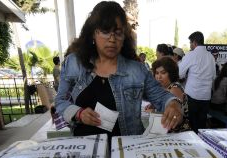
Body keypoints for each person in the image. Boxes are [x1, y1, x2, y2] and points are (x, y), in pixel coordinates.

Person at [55, 1, 182, 142]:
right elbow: (60, 101)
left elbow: (162, 97)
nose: (112, 39)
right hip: (86, 150)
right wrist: (78, 113)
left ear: (124, 37)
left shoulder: (136, 70)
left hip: (126, 152)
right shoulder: (74, 63)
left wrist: (173, 103)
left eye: (118, 33)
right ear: (93, 33)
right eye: (105, 31)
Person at [179, 31, 216, 133]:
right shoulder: (211, 57)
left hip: (192, 95)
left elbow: (180, 73)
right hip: (206, 96)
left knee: (190, 125)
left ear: (194, 42)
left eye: (190, 43)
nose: (190, 46)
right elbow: (213, 76)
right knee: (201, 126)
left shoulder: (191, 55)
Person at [151, 56, 190, 132]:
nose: (159, 77)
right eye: (156, 73)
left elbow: (172, 115)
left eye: (163, 73)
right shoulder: (163, 87)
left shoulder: (174, 89)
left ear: (171, 73)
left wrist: (153, 111)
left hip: (177, 134)